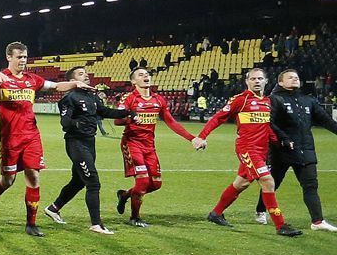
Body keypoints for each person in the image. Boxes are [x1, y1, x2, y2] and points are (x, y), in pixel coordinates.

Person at [0, 42, 75, 237]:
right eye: (19, 57)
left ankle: (31, 224)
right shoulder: (1, 78)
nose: (23, 60)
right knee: (8, 180)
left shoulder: (32, 80)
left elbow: (55, 85)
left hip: (31, 136)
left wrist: (75, 84)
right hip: (10, 139)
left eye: (25, 57)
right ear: (9, 57)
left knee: (34, 176)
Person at [201, 67, 300, 236]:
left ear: (266, 81)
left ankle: (215, 213)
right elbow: (218, 117)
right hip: (247, 148)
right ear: (247, 82)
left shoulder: (268, 102)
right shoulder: (241, 100)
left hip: (262, 151)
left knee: (241, 183)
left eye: (260, 79)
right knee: (268, 181)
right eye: (253, 79)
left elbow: (266, 127)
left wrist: (278, 142)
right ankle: (281, 225)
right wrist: (202, 136)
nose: (256, 81)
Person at [43, 67, 132, 234]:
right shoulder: (70, 97)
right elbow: (65, 122)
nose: (86, 76)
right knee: (93, 182)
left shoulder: (92, 96)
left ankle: (53, 208)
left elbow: (105, 111)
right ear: (72, 81)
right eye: (81, 74)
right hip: (76, 143)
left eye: (86, 73)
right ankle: (96, 224)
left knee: (78, 181)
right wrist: (76, 124)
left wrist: (127, 112)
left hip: (89, 143)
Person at [113, 68, 205, 227]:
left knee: (155, 184)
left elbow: (171, 122)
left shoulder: (158, 100)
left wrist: (192, 138)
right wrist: (131, 119)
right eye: (140, 75)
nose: (145, 76)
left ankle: (125, 195)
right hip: (132, 144)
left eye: (147, 74)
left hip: (150, 147)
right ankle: (134, 218)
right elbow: (117, 120)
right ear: (134, 81)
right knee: (142, 182)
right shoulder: (128, 99)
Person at [251, 69, 337, 231]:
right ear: (281, 82)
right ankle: (261, 210)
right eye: (290, 77)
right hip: (281, 151)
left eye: (296, 77)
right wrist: (284, 138)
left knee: (310, 185)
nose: (295, 79)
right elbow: (269, 122)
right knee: (272, 183)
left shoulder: (308, 100)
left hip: (305, 150)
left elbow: (326, 120)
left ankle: (317, 221)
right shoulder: (274, 100)